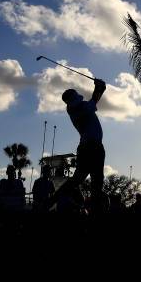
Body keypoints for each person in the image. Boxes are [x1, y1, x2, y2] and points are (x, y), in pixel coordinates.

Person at [48, 78, 106, 212]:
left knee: (78, 180)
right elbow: (95, 100)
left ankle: (50, 202)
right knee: (96, 182)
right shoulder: (80, 108)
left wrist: (100, 88)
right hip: (92, 148)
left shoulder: (73, 108)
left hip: (87, 147)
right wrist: (99, 88)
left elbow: (95, 99)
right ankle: (96, 210)